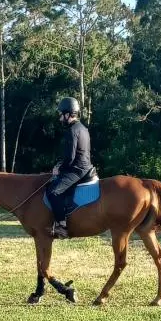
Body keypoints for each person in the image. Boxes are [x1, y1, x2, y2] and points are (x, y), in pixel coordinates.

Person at [47, 97, 94, 239]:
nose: (60, 118)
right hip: (84, 166)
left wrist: (58, 169)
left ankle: (62, 226)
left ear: (68, 114)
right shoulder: (83, 128)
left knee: (53, 192)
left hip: (77, 170)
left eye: (61, 114)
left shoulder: (72, 131)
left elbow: (70, 158)